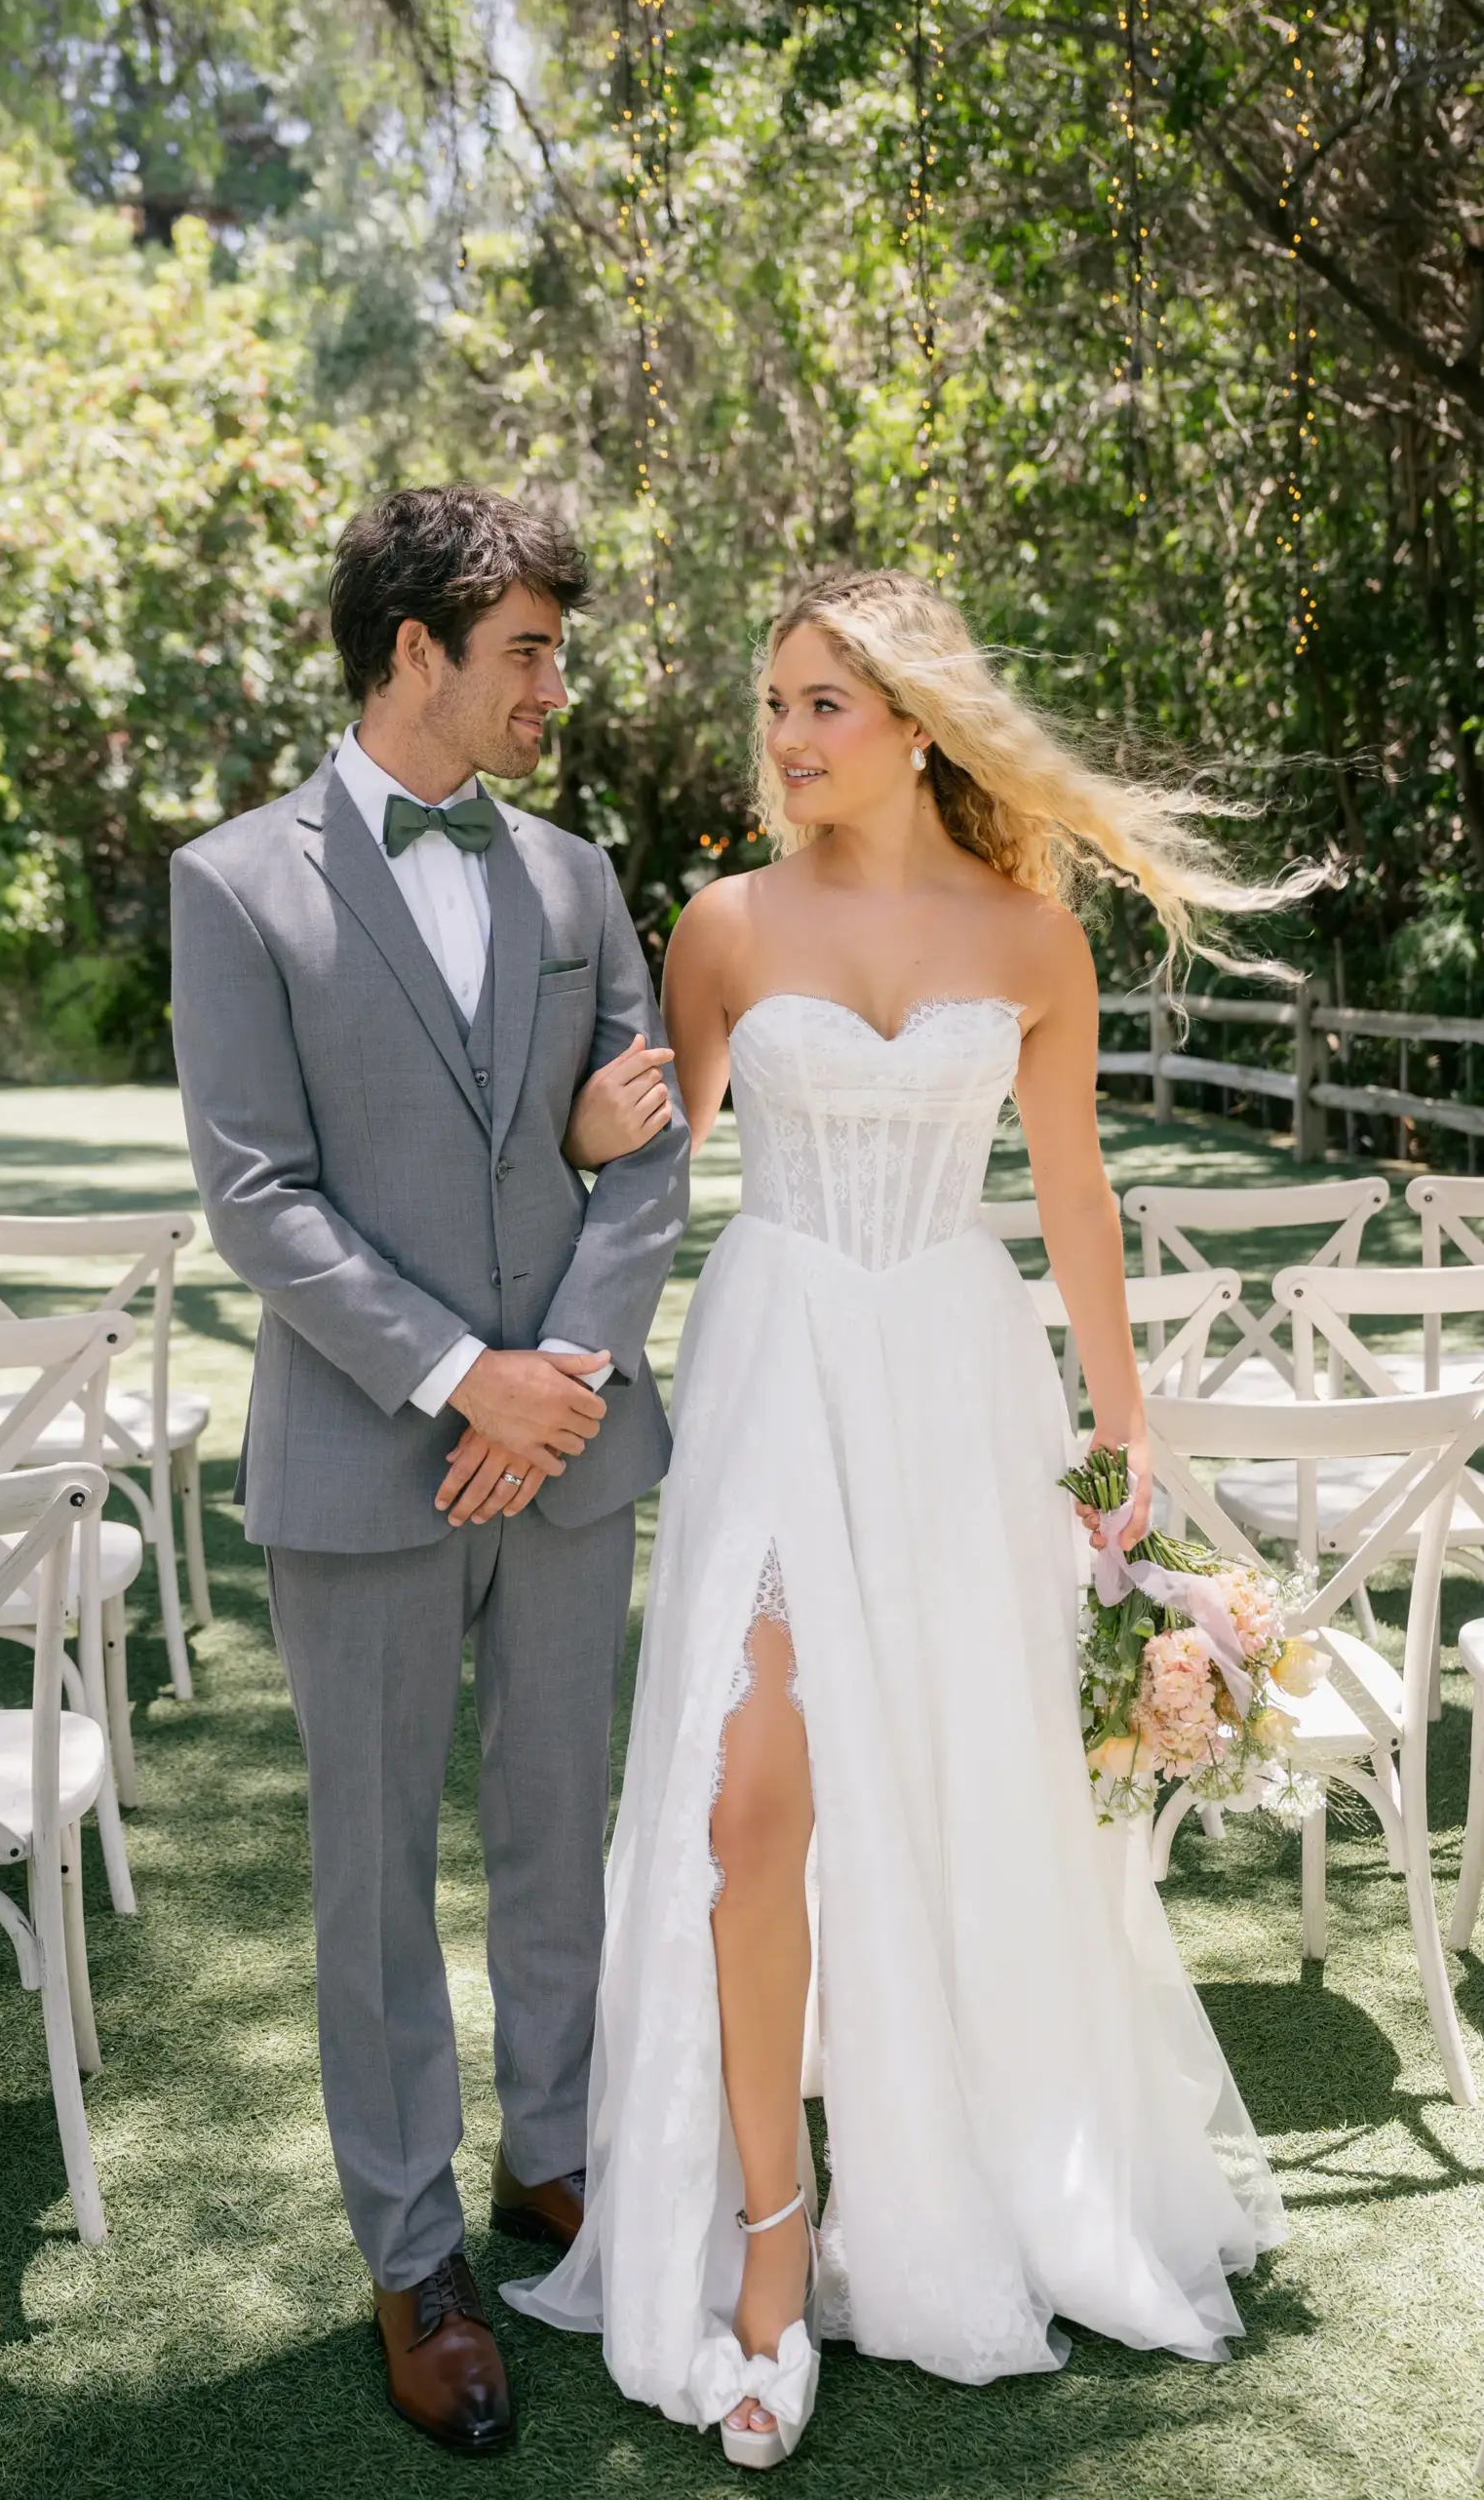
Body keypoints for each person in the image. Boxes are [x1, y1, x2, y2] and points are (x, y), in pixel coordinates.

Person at [504, 568, 1308, 2466]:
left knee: (951, 1788)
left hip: (954, 1380)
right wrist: (584, 1144)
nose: (784, 741)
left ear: (918, 722)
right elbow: (646, 1171)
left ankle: (957, 2172)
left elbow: (1077, 1201)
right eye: (771, 704)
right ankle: (768, 2247)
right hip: (780, 1364)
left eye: (820, 708)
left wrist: (1118, 1460)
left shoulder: (1029, 939)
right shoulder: (715, 928)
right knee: (744, 1792)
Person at [170, 484, 688, 2457]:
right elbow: (256, 1197)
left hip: (567, 1454)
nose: (553, 685)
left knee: (560, 1831)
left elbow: (639, 1145)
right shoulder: (234, 885)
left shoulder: (574, 877)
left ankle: (552, 2159)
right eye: (526, 653)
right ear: (415, 654)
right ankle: (410, 2254)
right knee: (375, 1884)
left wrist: (555, 1378)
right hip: (367, 1463)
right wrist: (461, 1376)